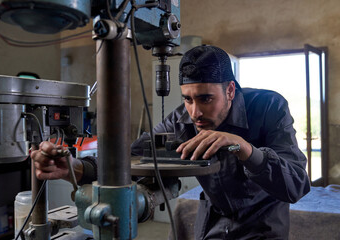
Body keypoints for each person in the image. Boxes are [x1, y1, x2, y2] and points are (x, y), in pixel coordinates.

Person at [32, 45, 310, 239]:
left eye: (205, 99)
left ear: (230, 89)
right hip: (212, 223)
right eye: (188, 99)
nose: (195, 112)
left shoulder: (269, 107)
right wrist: (78, 168)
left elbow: (297, 184)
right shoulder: (181, 120)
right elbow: (133, 155)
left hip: (262, 228)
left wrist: (243, 148)